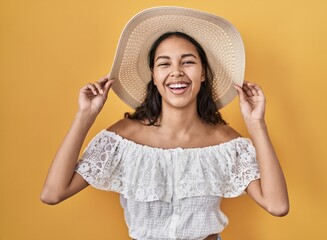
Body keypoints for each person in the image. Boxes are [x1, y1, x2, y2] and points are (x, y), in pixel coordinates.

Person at [41, 6, 289, 240]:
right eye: (164, 63)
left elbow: (277, 205)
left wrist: (257, 124)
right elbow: (53, 193)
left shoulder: (225, 143)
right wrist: (85, 116)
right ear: (154, 76)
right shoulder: (124, 139)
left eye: (188, 61)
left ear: (203, 73)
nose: (177, 71)